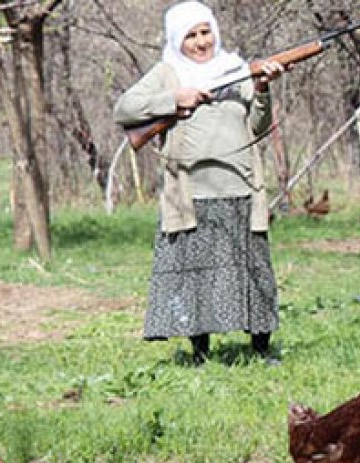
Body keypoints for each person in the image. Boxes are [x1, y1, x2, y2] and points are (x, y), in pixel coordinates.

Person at [113, 1, 286, 365]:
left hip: (240, 189)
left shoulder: (236, 70)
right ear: (178, 40)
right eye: (191, 35)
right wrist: (174, 99)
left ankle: (261, 350)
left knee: (254, 274)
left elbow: (257, 126)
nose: (201, 41)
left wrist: (262, 89)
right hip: (193, 195)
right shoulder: (167, 73)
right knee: (196, 277)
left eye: (205, 32)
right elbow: (125, 109)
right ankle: (201, 353)